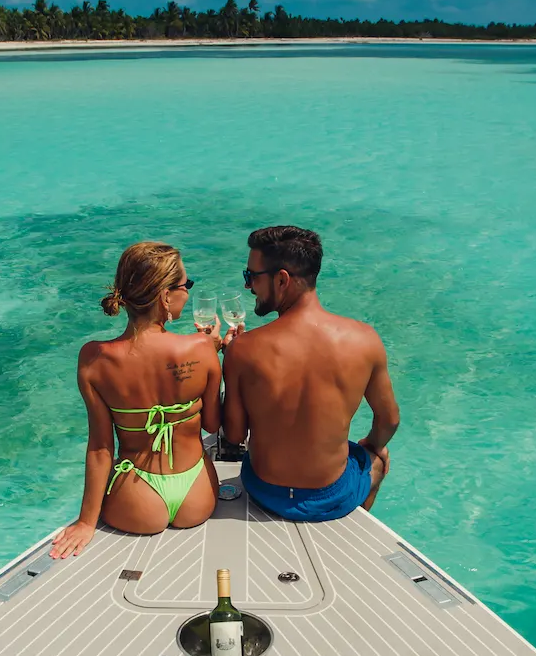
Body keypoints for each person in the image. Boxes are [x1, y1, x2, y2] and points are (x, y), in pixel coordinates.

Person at [52, 241, 221, 558]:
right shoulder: (201, 349)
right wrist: (215, 351)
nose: (188, 291)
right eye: (187, 285)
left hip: (135, 498)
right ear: (165, 296)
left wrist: (86, 523)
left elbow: (101, 447)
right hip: (197, 494)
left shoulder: (94, 359)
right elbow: (212, 424)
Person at [220, 225, 399, 520]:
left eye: (251, 277)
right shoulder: (365, 339)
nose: (248, 287)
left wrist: (233, 364)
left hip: (265, 490)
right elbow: (389, 420)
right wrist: (373, 445)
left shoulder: (243, 349)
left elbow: (236, 435)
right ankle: (353, 523)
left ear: (282, 279)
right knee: (376, 458)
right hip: (330, 494)